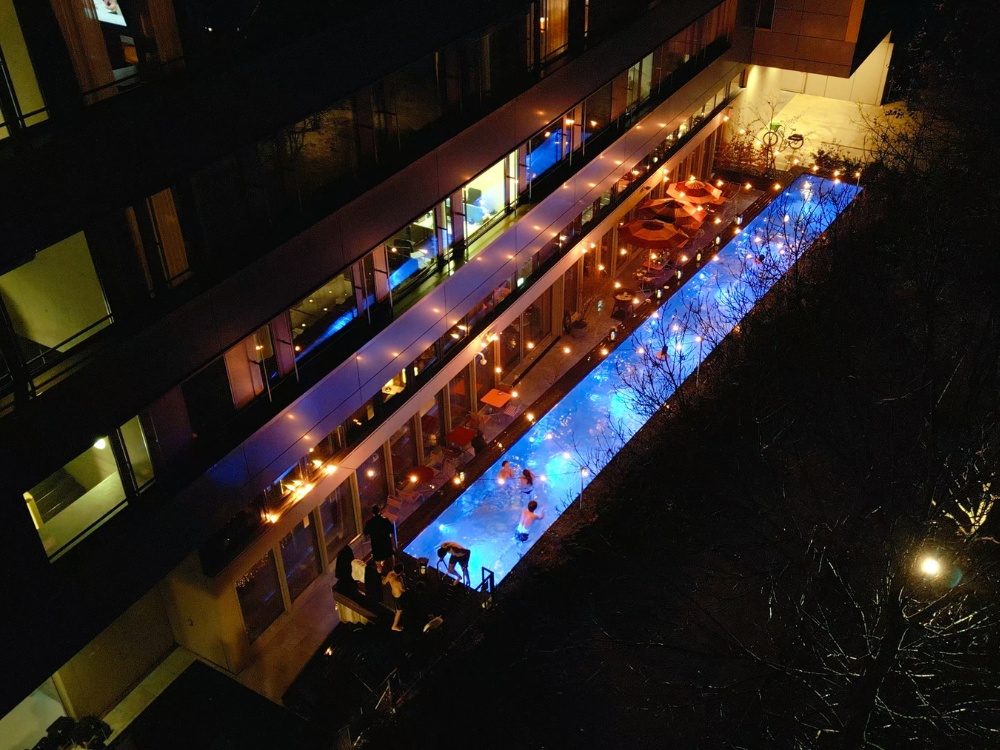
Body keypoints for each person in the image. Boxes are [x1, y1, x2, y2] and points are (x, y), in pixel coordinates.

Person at [363, 504, 395, 573]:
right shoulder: (385, 521)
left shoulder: (370, 523)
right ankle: (394, 573)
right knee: (391, 559)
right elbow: (392, 530)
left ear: (372, 513)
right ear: (380, 511)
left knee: (378, 566)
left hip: (377, 547)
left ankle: (380, 577)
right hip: (386, 544)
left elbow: (365, 533)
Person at [382, 563, 408, 632]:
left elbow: (384, 582)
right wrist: (403, 581)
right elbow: (403, 590)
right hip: (398, 597)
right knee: (399, 611)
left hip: (393, 594)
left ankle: (396, 612)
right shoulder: (399, 581)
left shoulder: (390, 574)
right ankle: (394, 626)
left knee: (397, 608)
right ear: (400, 572)